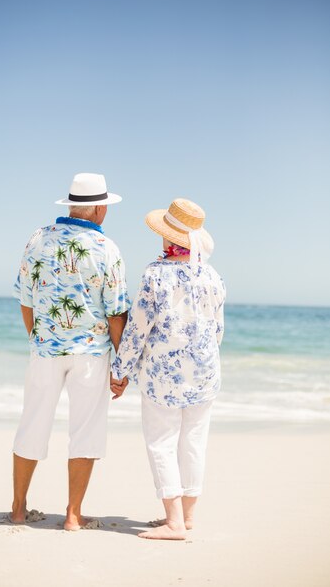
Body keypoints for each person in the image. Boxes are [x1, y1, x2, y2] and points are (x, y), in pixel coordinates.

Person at [10, 173, 130, 530]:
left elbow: (25, 298)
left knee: (32, 423)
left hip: (45, 350)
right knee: (86, 430)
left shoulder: (39, 238)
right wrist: (120, 367)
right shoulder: (107, 249)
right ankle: (73, 516)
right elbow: (116, 312)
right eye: (105, 207)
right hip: (91, 354)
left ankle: (18, 509)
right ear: (95, 209)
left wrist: (37, 339)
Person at [111, 198, 225, 540]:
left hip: (163, 376)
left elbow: (137, 329)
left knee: (161, 442)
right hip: (205, 374)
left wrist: (120, 371)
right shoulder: (213, 276)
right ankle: (187, 516)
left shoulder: (156, 274)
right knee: (194, 441)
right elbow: (218, 330)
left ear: (168, 237)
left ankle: (174, 522)